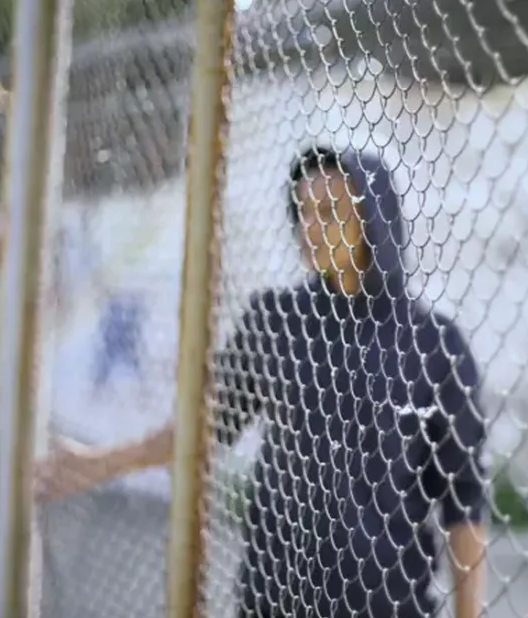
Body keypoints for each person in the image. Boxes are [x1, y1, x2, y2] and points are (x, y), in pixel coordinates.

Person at [36, 146, 489, 618]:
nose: (309, 227)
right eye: (303, 210)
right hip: (273, 597)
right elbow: (207, 429)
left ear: (374, 219)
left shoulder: (434, 345)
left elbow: (465, 499)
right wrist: (102, 463)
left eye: (329, 211)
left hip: (386, 605)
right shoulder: (276, 320)